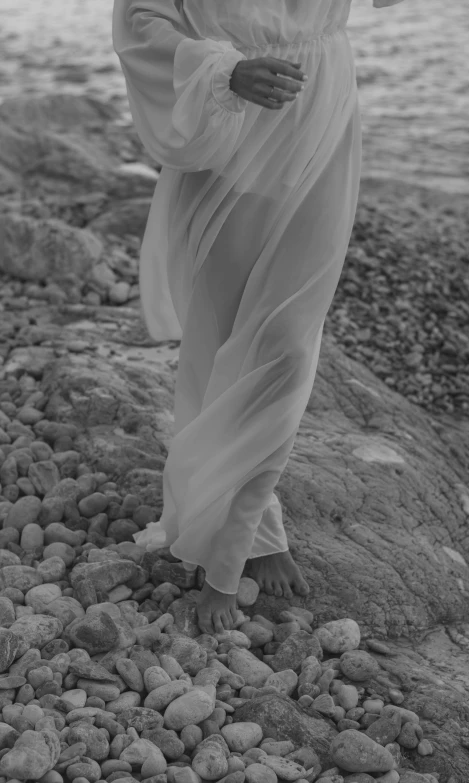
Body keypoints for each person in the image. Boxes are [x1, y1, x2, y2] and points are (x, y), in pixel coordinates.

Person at [112, 0, 404, 636]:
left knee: (289, 345)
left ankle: (232, 552)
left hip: (321, 120)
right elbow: (139, 18)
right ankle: (255, 520)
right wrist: (223, 69)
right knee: (222, 341)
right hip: (236, 125)